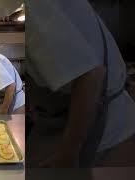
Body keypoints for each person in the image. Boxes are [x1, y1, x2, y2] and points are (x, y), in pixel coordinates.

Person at [26, 0, 135, 167]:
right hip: (65, 120)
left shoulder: (32, 6)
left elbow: (91, 76)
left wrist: (67, 156)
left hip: (104, 134)